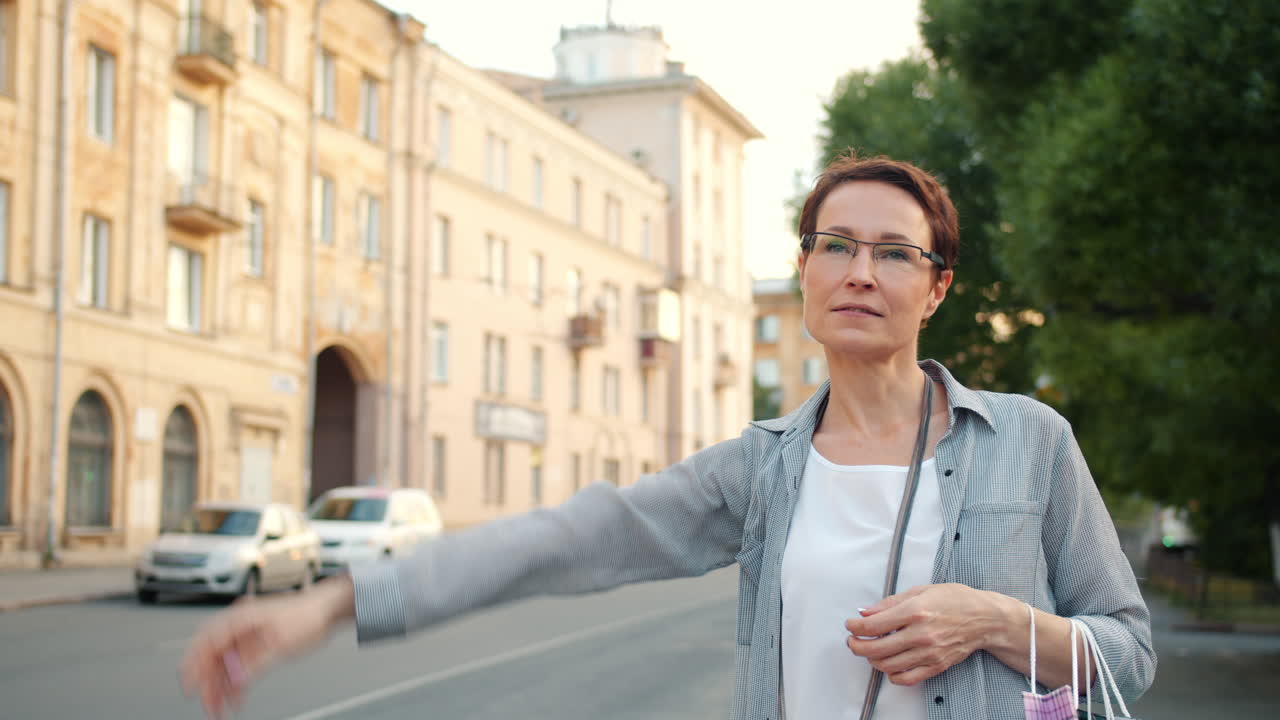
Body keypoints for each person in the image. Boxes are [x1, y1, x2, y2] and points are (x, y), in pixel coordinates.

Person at [181, 153, 1155, 719]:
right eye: (834, 246)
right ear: (804, 271)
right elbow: (566, 538)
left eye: (895, 254)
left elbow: (1129, 652)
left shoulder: (1027, 442)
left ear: (936, 288)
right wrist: (325, 607)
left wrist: (993, 622)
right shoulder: (759, 469)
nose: (861, 271)